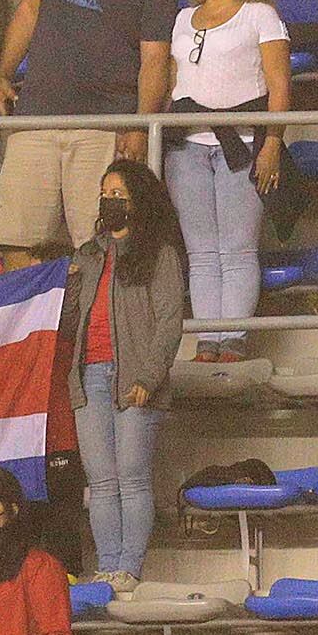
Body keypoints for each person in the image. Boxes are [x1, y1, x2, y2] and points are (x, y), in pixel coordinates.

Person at [62, 158, 186, 588]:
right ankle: (107, 566)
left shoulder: (159, 253)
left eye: (118, 194)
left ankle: (129, 567)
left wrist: (149, 378)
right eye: (105, 194)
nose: (109, 201)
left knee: (132, 479)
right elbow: (69, 318)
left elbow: (169, 322)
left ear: (139, 201)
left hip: (134, 378)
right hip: (89, 377)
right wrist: (66, 283)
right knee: (100, 482)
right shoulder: (88, 253)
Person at [164, 0, 288, 359]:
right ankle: (207, 339)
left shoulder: (260, 15)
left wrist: (272, 143)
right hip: (187, 146)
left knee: (237, 249)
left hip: (244, 142)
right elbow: (171, 81)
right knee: (200, 253)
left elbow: (278, 84)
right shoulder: (183, 19)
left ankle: (232, 338)